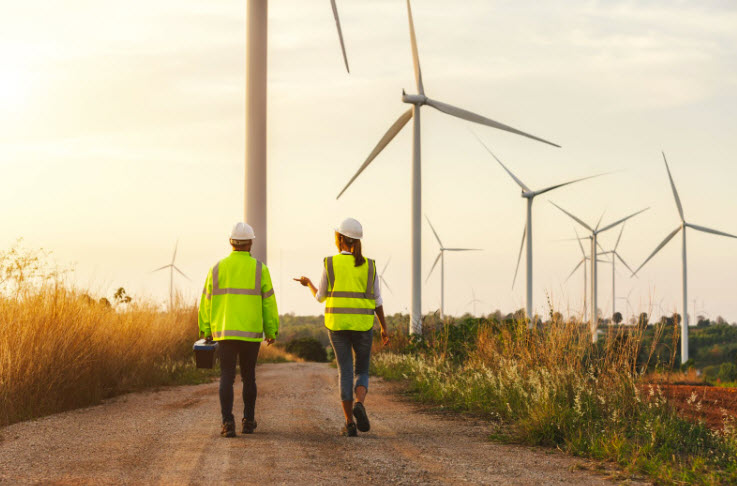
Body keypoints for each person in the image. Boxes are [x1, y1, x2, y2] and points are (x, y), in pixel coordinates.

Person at [294, 217, 390, 437]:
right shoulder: (370, 266)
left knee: (345, 371)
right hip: (363, 325)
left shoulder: (330, 263)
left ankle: (349, 423)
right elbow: (377, 301)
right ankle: (360, 403)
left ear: (339, 239)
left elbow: (320, 297)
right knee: (362, 370)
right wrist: (384, 328)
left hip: (337, 326)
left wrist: (307, 283)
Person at [198, 222, 279, 438]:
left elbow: (205, 301)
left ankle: (227, 423)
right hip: (251, 333)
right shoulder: (260, 269)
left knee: (226, 376)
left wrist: (205, 328)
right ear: (251, 243)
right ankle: (248, 421)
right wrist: (271, 330)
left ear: (230, 242)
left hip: (224, 331)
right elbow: (269, 303)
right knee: (249, 377)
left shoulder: (216, 268)